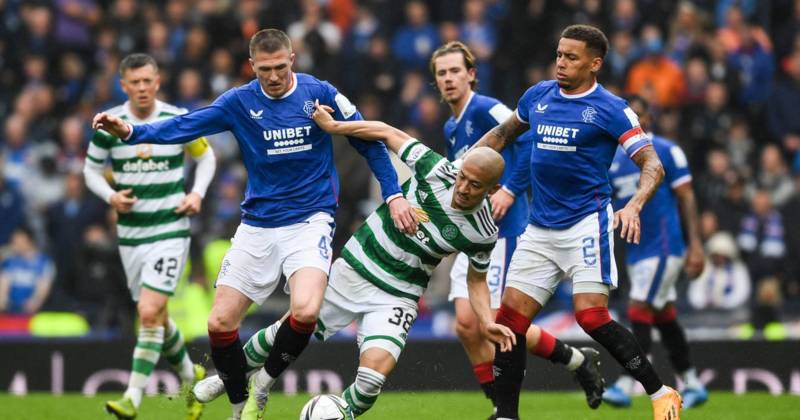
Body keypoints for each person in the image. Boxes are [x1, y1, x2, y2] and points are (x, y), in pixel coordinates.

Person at [92, 29, 416, 420]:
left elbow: (370, 140)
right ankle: (237, 405)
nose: (274, 76)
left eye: (281, 67)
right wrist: (130, 131)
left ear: (292, 60)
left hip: (310, 220)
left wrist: (394, 194)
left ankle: (263, 384)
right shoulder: (239, 101)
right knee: (220, 323)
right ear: (253, 67)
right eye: (265, 69)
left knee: (306, 310)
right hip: (258, 223)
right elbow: (186, 126)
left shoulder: (321, 93)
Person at [194, 102, 516, 419]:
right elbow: (385, 132)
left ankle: (337, 413)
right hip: (356, 269)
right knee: (287, 328)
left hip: (399, 294)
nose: (463, 187)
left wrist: (487, 321)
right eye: (464, 178)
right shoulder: (437, 170)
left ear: (492, 190)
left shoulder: (482, 232)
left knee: (373, 380)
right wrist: (336, 128)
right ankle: (226, 379)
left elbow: (476, 280)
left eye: (475, 186)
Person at [470, 25, 682, 420]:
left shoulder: (611, 109)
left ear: (594, 63)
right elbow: (501, 135)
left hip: (586, 224)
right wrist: (462, 169)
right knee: (508, 322)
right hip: (539, 227)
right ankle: (506, 415)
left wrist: (634, 205)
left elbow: (652, 163)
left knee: (591, 317)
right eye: (559, 54)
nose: (561, 63)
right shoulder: (538, 96)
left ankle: (660, 391)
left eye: (571, 57)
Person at [430, 41, 604, 414]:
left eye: (455, 71)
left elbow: (530, 141)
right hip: (474, 234)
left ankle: (508, 406)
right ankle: (564, 365)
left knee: (495, 322)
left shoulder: (488, 108)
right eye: (441, 73)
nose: (448, 79)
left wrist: (510, 189)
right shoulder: (450, 126)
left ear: (471, 74)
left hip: (504, 232)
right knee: (465, 325)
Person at [83, 53, 215, 420]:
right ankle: (193, 378)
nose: (142, 88)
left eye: (147, 81)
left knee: (150, 312)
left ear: (157, 81)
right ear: (123, 85)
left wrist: (196, 194)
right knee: (156, 317)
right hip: (131, 235)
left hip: (170, 228)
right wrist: (110, 196)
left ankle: (131, 398)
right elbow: (90, 171)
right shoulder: (110, 123)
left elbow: (207, 158)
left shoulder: (176, 119)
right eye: (134, 82)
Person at [606, 95, 709, 408]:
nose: (632, 121)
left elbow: (687, 197)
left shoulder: (665, 150)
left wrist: (696, 244)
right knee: (663, 314)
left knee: (638, 308)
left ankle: (626, 383)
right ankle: (692, 382)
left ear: (646, 119)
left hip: (664, 246)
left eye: (637, 115)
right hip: (636, 249)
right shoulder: (611, 159)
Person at [0, 226, 54, 315]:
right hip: (9, 311)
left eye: (18, 241)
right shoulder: (10, 261)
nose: (14, 244)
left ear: (28, 240)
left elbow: (43, 289)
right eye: (13, 241)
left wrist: (34, 303)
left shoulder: (44, 262)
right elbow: (3, 286)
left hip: (33, 312)